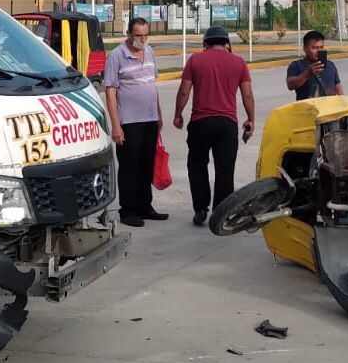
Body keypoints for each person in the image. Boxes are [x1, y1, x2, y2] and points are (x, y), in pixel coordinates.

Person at [173, 26, 255, 227]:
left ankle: (200, 208)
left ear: (205, 43)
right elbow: (247, 95)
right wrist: (250, 119)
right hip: (227, 124)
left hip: (200, 122)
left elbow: (184, 91)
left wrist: (178, 115)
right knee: (225, 169)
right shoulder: (239, 62)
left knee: (197, 165)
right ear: (227, 43)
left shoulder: (195, 60)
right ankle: (222, 212)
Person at [103, 17, 166, 228]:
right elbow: (110, 92)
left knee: (146, 165)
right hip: (129, 121)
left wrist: (158, 114)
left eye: (146, 34)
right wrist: (116, 125)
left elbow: (151, 85)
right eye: (138, 35)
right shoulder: (117, 56)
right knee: (130, 166)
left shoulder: (149, 52)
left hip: (149, 119)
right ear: (129, 34)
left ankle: (145, 207)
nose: (143, 39)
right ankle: (128, 210)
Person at [286, 30, 343, 101]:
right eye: (314, 48)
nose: (319, 51)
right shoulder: (296, 65)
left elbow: (339, 89)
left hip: (329, 109)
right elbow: (290, 85)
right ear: (305, 49)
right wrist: (308, 73)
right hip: (308, 110)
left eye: (321, 47)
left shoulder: (330, 65)